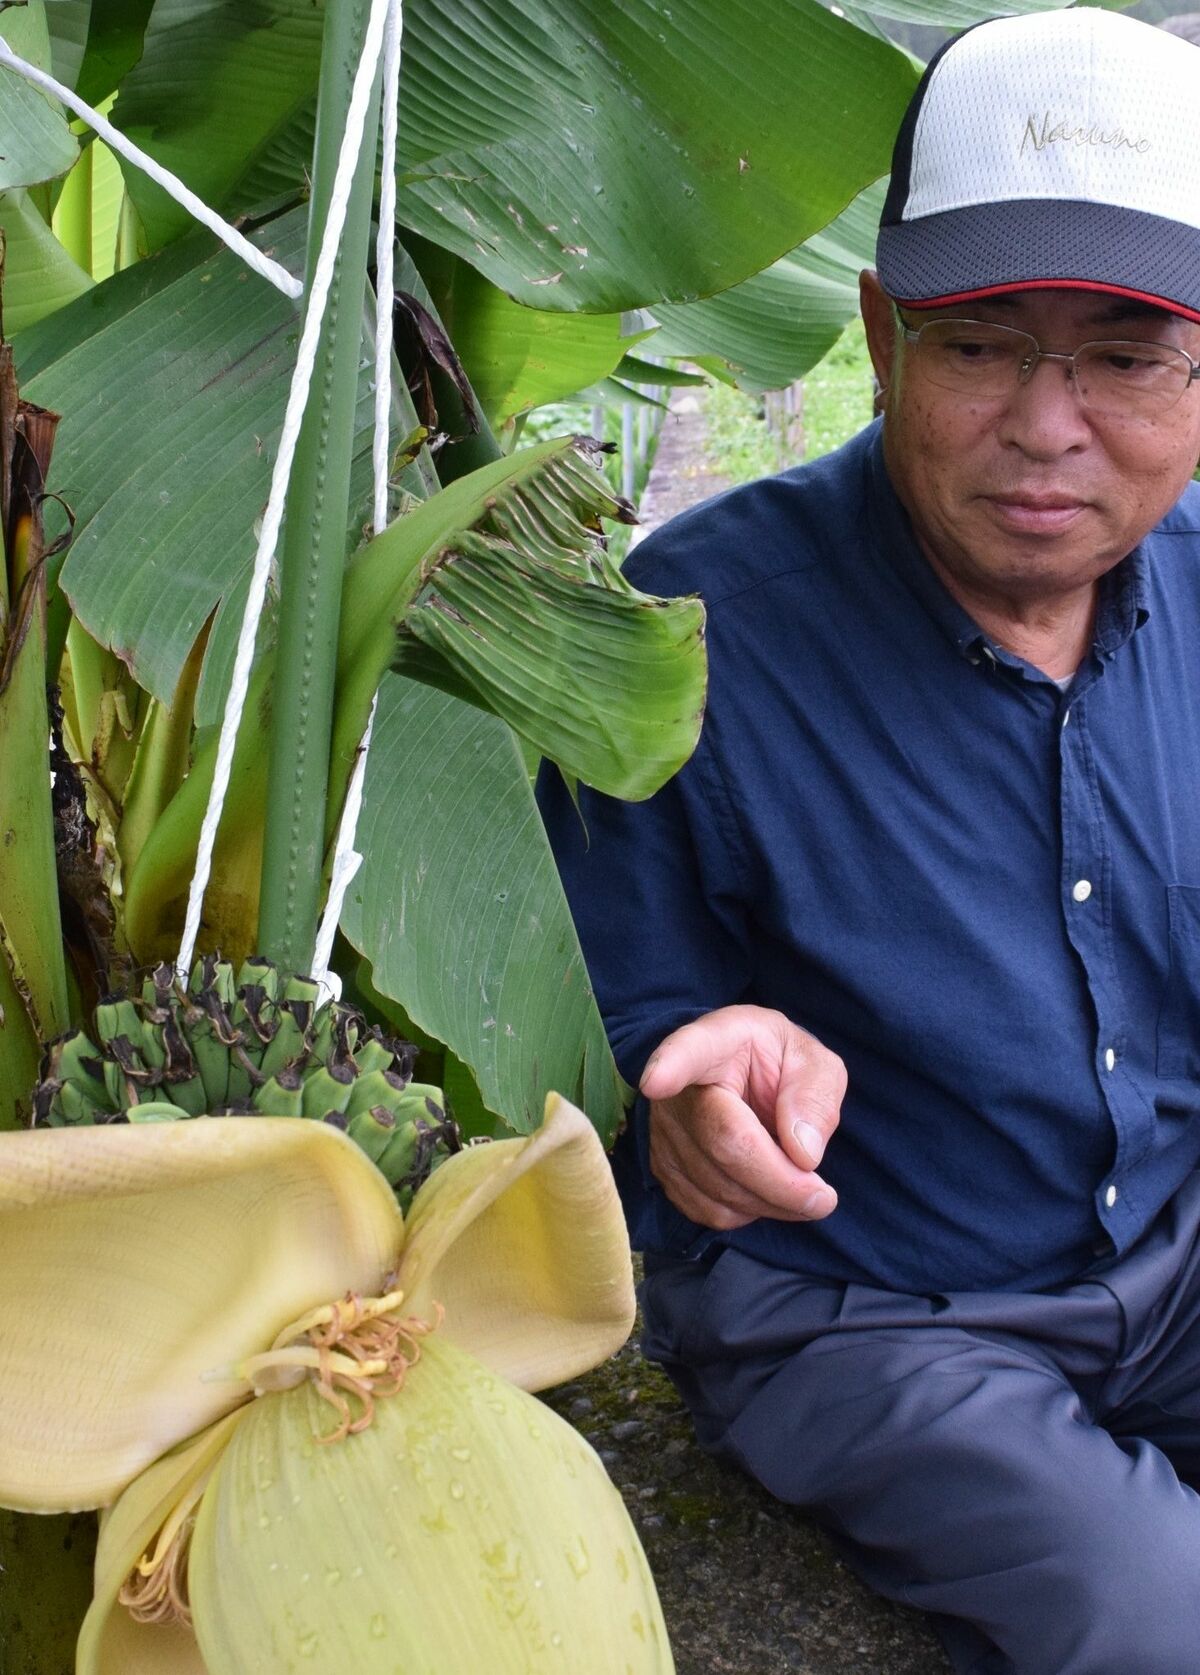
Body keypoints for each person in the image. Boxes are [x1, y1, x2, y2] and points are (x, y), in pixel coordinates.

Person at [537, 9, 1200, 1673]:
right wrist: (682, 1069)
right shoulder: (679, 641)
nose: (1050, 427)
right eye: (981, 344)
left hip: (1180, 1254)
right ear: (878, 330)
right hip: (879, 1314)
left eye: (1123, 355)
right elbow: (597, 1025)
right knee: (1155, 1620)